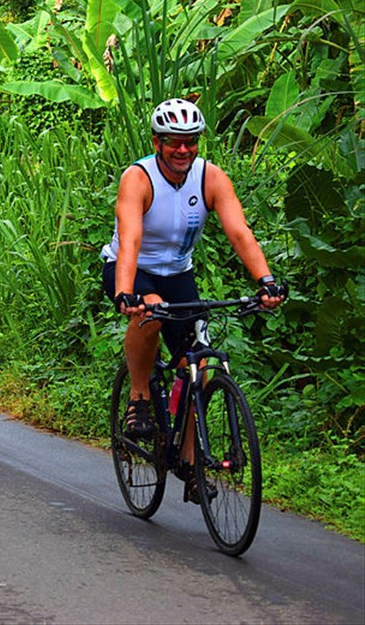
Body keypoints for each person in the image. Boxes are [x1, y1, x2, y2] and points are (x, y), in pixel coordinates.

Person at [100, 98, 286, 502]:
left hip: (179, 275)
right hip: (132, 268)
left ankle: (189, 460)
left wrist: (266, 280)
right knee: (148, 311)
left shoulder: (211, 178)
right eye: (173, 142)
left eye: (190, 141)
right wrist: (126, 292)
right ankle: (138, 398)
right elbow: (130, 238)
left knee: (200, 362)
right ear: (157, 142)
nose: (182, 149)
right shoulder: (139, 178)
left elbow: (239, 231)